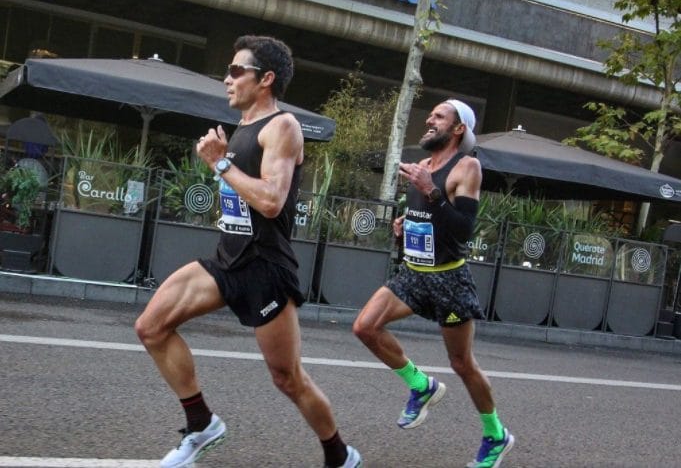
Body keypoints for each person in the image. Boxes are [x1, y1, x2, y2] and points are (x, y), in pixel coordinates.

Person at [135, 35, 362, 468]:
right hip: (227, 259)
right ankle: (201, 424)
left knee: (288, 378)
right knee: (151, 327)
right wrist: (223, 162)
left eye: (237, 71)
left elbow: (272, 200)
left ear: (266, 79)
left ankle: (340, 455)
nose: (228, 79)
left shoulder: (283, 127)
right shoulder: (242, 130)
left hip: (265, 268)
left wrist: (221, 164)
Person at [352, 99, 514, 468]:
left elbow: (462, 229)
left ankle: (495, 434)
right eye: (431, 114)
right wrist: (404, 228)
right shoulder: (422, 166)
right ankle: (421, 385)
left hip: (449, 279)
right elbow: (428, 219)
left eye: (440, 116)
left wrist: (432, 191)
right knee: (364, 327)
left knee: (462, 363)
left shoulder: (467, 167)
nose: (430, 118)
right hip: (413, 272)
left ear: (458, 129)